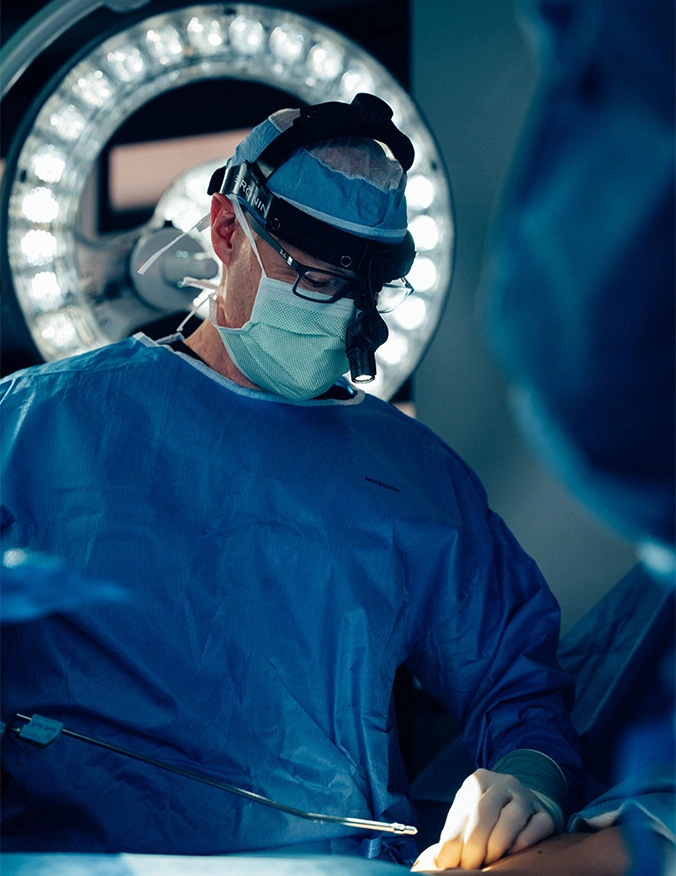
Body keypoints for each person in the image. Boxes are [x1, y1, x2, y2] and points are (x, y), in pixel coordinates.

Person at [0, 94, 581, 868]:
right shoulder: (37, 427)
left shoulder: (412, 476)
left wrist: (526, 779)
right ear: (226, 230)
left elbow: (516, 680)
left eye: (360, 287)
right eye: (312, 275)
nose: (340, 309)